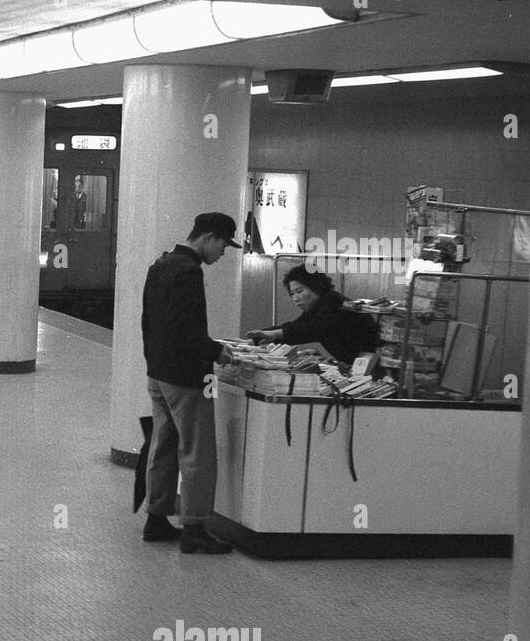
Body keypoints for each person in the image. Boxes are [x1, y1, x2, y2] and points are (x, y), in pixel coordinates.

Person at [140, 211, 239, 554]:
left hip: (158, 373)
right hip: (184, 377)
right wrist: (219, 352)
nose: (223, 254)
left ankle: (155, 519)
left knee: (163, 445)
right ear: (209, 238)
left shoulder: (160, 264)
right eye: (224, 245)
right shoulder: (189, 271)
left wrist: (152, 363)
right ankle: (194, 528)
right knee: (197, 451)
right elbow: (187, 330)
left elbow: (148, 321)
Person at [247, 264, 380, 364]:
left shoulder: (334, 303)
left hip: (375, 365)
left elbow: (313, 329)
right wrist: (253, 340)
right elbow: (295, 326)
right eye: (292, 293)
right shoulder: (318, 306)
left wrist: (274, 334)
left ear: (316, 287)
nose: (295, 298)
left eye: (300, 291)